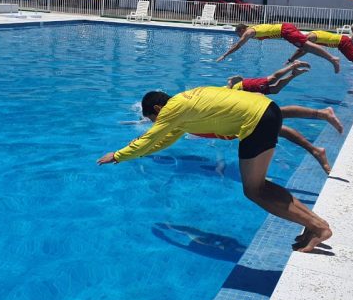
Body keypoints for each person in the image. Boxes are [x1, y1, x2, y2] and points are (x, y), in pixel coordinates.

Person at [97, 86, 332, 252]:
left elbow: (149, 138)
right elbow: (164, 140)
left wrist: (118, 155)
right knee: (259, 186)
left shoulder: (171, 110)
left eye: (153, 119)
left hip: (256, 121)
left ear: (158, 108)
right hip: (266, 111)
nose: (155, 123)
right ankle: (313, 225)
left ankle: (319, 227)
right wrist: (143, 153)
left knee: (254, 190)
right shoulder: (183, 106)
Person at [225, 60, 340, 173]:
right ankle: (315, 149)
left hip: (238, 93)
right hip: (238, 108)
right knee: (274, 124)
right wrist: (292, 75)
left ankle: (322, 114)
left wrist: (291, 66)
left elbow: (272, 79)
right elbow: (275, 89)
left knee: (274, 96)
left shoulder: (236, 89)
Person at [216, 23, 340, 74]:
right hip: (286, 30)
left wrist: (225, 55)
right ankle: (294, 63)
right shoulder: (253, 29)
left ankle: (332, 58)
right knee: (304, 47)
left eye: (239, 33)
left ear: (242, 29)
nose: (239, 36)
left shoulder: (249, 32)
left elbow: (237, 45)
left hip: (285, 31)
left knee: (306, 46)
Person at [287, 29, 353, 86]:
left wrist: (291, 59)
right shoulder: (310, 35)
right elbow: (303, 50)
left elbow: (302, 50)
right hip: (342, 41)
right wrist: (291, 59)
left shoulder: (310, 38)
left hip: (343, 42)